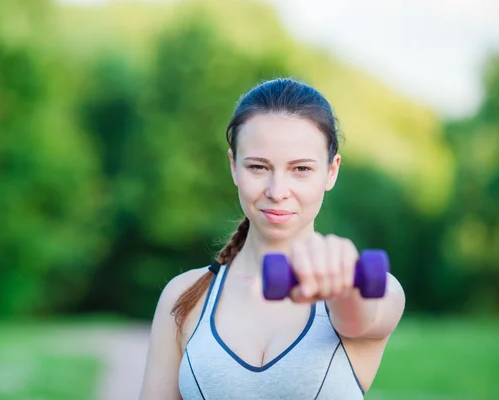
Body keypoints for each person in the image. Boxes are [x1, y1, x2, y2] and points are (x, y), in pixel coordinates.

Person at [139, 78, 405, 399]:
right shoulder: (183, 297)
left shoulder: (377, 288)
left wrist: (343, 287)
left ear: (331, 171)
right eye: (258, 167)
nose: (277, 192)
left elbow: (357, 319)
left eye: (301, 169)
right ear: (234, 167)